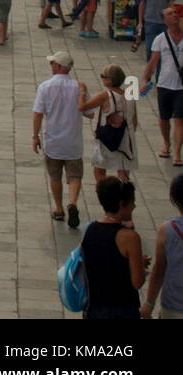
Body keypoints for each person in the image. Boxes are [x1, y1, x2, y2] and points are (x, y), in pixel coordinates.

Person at [33, 51, 89, 228]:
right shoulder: (79, 86)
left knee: (55, 176)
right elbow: (90, 112)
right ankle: (72, 202)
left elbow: (38, 113)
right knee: (75, 175)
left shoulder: (45, 87)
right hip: (73, 141)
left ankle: (58, 208)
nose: (51, 66)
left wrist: (35, 136)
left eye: (52, 64)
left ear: (58, 66)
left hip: (53, 141)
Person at [81, 179, 148, 320]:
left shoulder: (89, 229)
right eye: (132, 202)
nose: (134, 206)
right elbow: (137, 282)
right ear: (121, 204)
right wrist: (139, 265)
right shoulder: (130, 237)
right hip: (123, 309)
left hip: (94, 307)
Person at [77, 63, 137, 184]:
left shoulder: (105, 95)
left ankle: (104, 193)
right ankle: (123, 195)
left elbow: (82, 107)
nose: (102, 78)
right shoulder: (129, 95)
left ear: (110, 80)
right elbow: (134, 121)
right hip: (126, 138)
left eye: (103, 76)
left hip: (108, 137)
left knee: (99, 169)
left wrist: (82, 92)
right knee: (123, 171)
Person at [144, 5, 183, 167]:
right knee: (164, 118)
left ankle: (177, 153)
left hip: (182, 86)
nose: (174, 15)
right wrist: (145, 79)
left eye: (175, 13)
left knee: (179, 119)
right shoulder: (160, 39)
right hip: (164, 84)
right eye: (170, 14)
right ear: (164, 20)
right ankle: (166, 143)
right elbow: (153, 62)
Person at [141, 173, 183, 318]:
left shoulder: (168, 230)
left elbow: (159, 270)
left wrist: (149, 304)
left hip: (173, 306)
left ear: (175, 200)